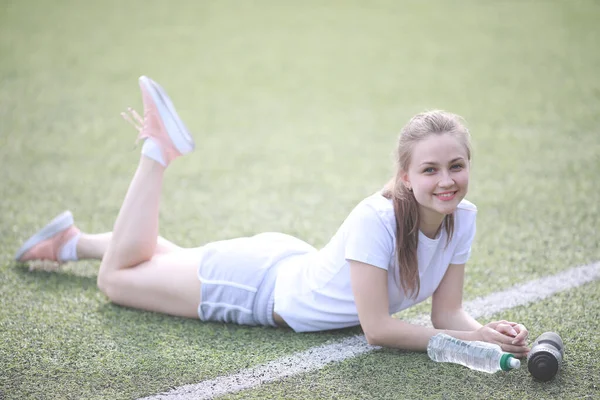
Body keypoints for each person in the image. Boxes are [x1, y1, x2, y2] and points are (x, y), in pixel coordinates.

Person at [15, 76, 530, 357]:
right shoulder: (377, 218)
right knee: (117, 280)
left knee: (145, 260)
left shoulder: (464, 217)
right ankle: (158, 152)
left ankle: (72, 241)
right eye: (431, 169)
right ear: (405, 176)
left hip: (282, 266)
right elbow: (378, 330)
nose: (447, 181)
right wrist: (471, 341)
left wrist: (484, 330)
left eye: (456, 166)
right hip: (255, 289)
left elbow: (447, 316)